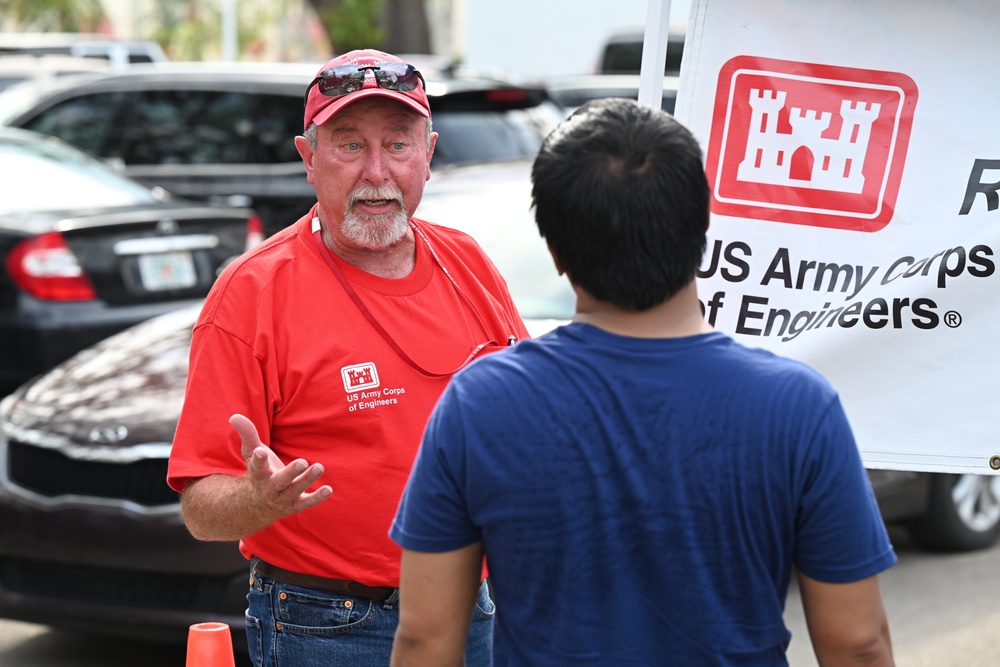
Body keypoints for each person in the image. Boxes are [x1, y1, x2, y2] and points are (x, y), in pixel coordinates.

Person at [388, 98, 897, 666]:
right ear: (704, 228)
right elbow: (857, 643)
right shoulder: (797, 406)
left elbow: (425, 639)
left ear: (555, 250)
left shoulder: (480, 403)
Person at [166, 48, 529, 667]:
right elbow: (201, 508)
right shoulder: (252, 292)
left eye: (398, 143)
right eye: (350, 145)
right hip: (327, 625)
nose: (378, 172)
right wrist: (261, 500)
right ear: (309, 159)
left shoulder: (467, 261)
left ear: (429, 154)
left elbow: (528, 417)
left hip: (474, 607)